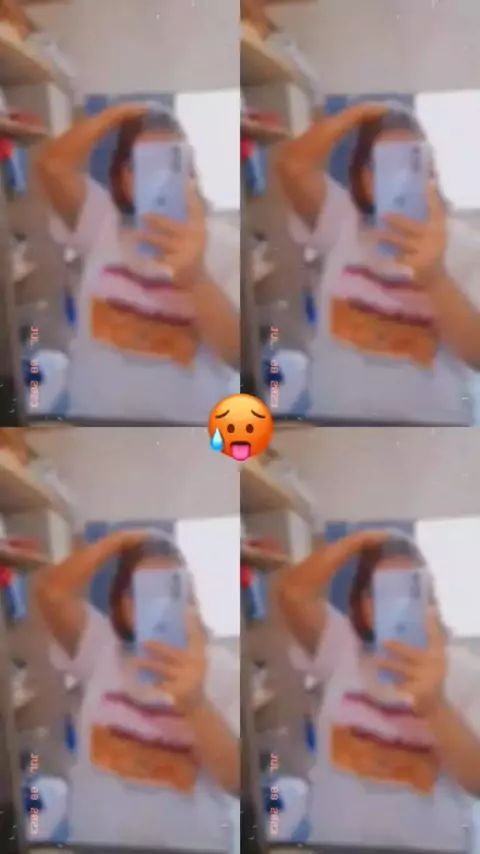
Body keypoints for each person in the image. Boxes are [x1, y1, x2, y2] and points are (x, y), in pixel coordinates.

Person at [274, 529, 480, 850]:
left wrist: (435, 705)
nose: (396, 603)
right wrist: (358, 541)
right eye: (382, 590)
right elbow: (293, 592)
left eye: (409, 588)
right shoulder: (341, 646)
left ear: (430, 598)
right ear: (363, 604)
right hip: (336, 843)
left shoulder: (465, 670)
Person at [276, 101, 480, 425]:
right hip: (334, 419)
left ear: (430, 172)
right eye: (384, 164)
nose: (398, 177)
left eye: (411, 162)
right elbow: (292, 165)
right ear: (364, 177)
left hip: (431, 427)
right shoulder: (341, 219)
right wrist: (357, 114)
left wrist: (435, 277)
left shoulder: (465, 245)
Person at [34, 530, 239, 850]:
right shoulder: (100, 647)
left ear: (190, 597)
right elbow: (51, 591)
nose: (156, 604)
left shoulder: (222, 667)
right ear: (122, 603)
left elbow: (239, 782)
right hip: (97, 842)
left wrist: (195, 704)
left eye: (170, 588)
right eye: (142, 591)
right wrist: (116, 541)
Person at [35, 103, 240, 422]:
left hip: (186, 432)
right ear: (123, 177)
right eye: (142, 164)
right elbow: (52, 165)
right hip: (93, 424)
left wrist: (195, 277)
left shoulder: (224, 242)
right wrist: (115, 114)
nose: (157, 176)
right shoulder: (100, 222)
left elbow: (238, 354)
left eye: (170, 161)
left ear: (190, 172)